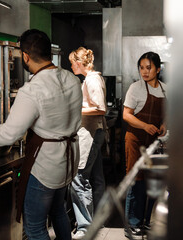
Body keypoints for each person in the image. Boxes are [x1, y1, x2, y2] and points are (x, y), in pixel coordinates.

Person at [0, 29, 83, 240]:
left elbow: (8, 134)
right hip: (67, 161)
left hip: (46, 166)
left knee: (34, 227)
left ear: (25, 55)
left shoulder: (33, 89)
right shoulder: (71, 79)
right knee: (59, 212)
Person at [123, 52, 167, 239]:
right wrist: (144, 126)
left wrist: (165, 125)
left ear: (158, 69)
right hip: (135, 139)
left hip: (154, 142)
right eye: (141, 67)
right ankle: (132, 224)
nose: (144, 71)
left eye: (148, 67)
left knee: (151, 181)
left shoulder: (166, 89)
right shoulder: (136, 88)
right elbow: (126, 115)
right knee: (136, 180)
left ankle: (145, 222)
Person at [69, 47, 107, 240]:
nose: (71, 66)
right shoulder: (89, 79)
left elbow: (100, 109)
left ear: (79, 62)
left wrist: (76, 110)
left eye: (71, 62)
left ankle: (85, 227)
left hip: (90, 134)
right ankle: (95, 221)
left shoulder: (92, 79)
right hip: (92, 133)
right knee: (96, 178)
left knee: (78, 179)